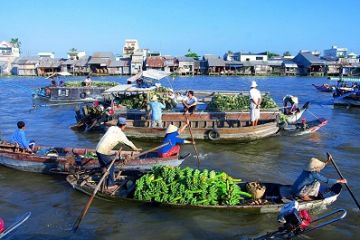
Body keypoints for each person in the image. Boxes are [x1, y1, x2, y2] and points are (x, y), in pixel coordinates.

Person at [95, 117, 141, 191]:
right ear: (123, 125)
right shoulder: (121, 135)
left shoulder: (111, 128)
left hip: (98, 149)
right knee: (111, 167)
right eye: (125, 125)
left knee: (104, 167)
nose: (125, 127)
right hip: (103, 151)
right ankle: (110, 185)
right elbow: (129, 143)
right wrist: (136, 149)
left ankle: (103, 180)